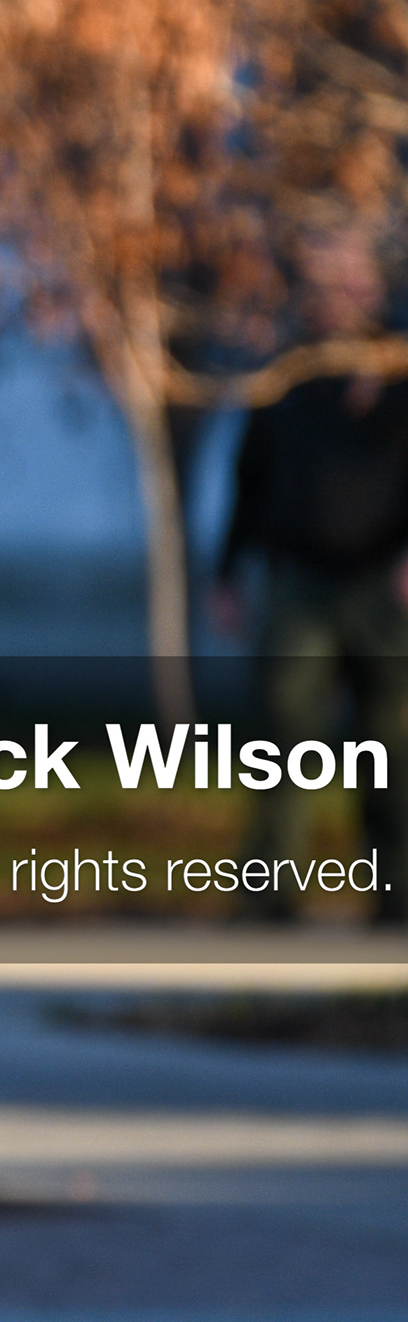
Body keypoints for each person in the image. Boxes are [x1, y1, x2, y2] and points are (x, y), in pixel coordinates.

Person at [218, 223, 408, 925]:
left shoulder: (394, 365)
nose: (338, 291)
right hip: (298, 578)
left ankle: (397, 896)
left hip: (384, 583)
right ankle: (268, 894)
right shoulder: (286, 372)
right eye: (324, 277)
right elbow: (251, 477)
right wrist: (227, 570)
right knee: (283, 742)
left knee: (389, 743)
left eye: (350, 275)